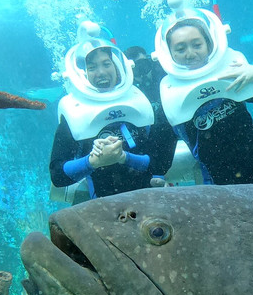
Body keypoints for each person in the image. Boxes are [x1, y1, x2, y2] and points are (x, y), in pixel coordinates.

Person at [154, 0, 253, 185]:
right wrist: (157, 179)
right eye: (180, 49)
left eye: (197, 44)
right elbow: (158, 157)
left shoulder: (232, 71)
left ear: (209, 44)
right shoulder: (170, 96)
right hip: (220, 186)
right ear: (168, 53)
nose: (190, 54)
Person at [50, 21, 177, 199]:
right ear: (82, 74)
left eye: (106, 64)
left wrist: (124, 157)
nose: (101, 72)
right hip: (105, 207)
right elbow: (57, 176)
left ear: (117, 66)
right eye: (92, 67)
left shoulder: (138, 101)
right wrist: (92, 162)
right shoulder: (74, 112)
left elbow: (161, 162)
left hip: (149, 198)